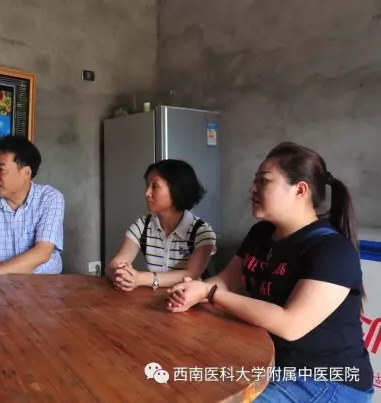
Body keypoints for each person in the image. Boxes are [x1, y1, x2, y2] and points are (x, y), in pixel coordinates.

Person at [166, 142, 374, 401]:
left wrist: (210, 293)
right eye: (255, 181)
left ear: (300, 190)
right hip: (270, 362)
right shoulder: (261, 233)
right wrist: (194, 292)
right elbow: (226, 280)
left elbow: (290, 325)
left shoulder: (331, 250)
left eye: (263, 181)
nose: (252, 189)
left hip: (326, 380)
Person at [106, 159, 217, 291]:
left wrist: (140, 278)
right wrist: (121, 275)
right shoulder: (142, 225)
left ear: (177, 189)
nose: (147, 193)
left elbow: (191, 274)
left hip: (190, 300)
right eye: (147, 185)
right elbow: (115, 264)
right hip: (153, 299)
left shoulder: (201, 231)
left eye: (155, 186)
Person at [0, 135, 64, 275]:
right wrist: (11, 270)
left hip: (43, 284)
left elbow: (42, 252)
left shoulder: (50, 198)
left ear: (26, 172)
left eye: (1, 169)